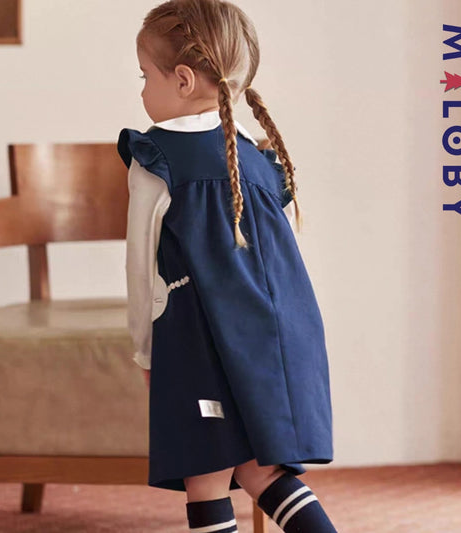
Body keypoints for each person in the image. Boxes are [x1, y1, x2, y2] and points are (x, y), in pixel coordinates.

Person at [117, 0, 338, 531]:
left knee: (207, 479)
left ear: (184, 79)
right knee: (262, 470)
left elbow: (141, 272)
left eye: (144, 76)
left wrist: (145, 351)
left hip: (198, 343)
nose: (142, 90)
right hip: (280, 338)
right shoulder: (256, 158)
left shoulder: (154, 160)